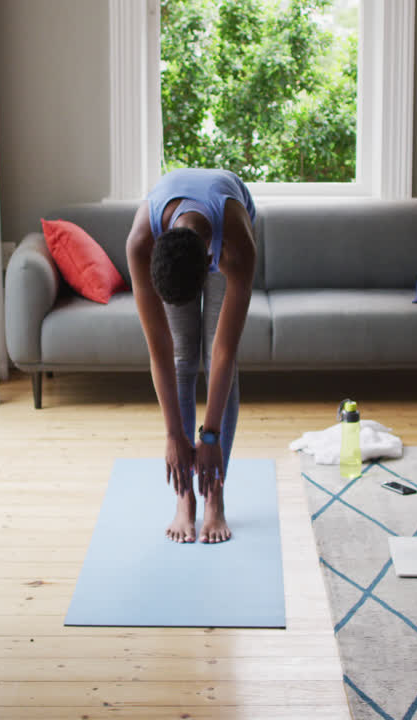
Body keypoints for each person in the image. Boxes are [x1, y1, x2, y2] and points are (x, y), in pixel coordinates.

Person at [125, 168, 257, 544]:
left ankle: (214, 497)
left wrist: (210, 438)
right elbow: (160, 349)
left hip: (224, 229)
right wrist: (173, 435)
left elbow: (224, 351)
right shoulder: (140, 242)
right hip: (176, 237)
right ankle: (185, 499)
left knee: (216, 348)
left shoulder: (237, 244)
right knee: (183, 356)